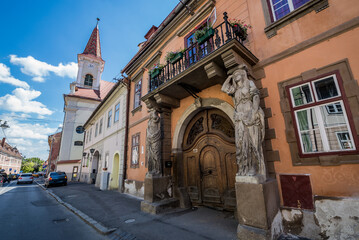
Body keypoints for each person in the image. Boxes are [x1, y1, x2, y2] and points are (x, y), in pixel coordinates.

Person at [221, 64, 266, 179]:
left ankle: (256, 169)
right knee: (241, 144)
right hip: (239, 117)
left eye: (238, 74)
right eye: (235, 74)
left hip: (249, 113)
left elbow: (255, 96)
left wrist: (254, 112)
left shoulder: (249, 83)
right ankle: (244, 168)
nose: (236, 75)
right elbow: (224, 88)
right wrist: (230, 77)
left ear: (243, 75)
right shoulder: (234, 89)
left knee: (253, 143)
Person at [146, 110, 162, 175]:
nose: (151, 114)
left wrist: (154, 135)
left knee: (156, 155)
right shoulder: (149, 122)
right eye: (151, 113)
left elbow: (159, 130)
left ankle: (158, 170)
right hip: (150, 139)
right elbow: (147, 130)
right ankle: (152, 169)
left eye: (153, 113)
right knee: (150, 155)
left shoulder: (158, 120)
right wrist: (149, 135)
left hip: (156, 139)